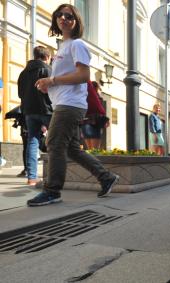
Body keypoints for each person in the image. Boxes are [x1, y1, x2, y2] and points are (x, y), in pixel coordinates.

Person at [27, 3, 119, 206]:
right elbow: (67, 76)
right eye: (60, 15)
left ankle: (52, 191)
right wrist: (48, 86)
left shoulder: (77, 45)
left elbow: (84, 75)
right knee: (71, 149)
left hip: (70, 105)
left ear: (76, 20)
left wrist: (52, 81)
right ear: (55, 19)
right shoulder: (63, 47)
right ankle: (106, 177)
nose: (64, 18)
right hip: (65, 102)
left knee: (54, 143)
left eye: (69, 15)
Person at [17, 46, 53, 185]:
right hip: (47, 110)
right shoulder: (48, 70)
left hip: (29, 111)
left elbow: (20, 94)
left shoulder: (23, 73)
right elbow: (54, 91)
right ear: (47, 57)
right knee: (56, 141)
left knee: (32, 142)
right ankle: (56, 175)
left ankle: (31, 178)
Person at [81, 81, 108, 149]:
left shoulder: (84, 93)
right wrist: (105, 118)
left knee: (89, 149)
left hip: (85, 120)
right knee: (95, 150)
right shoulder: (95, 96)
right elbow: (98, 109)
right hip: (94, 120)